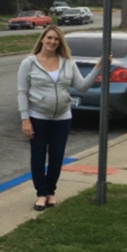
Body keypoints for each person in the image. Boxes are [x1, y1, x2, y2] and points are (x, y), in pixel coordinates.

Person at [17, 25, 111, 211]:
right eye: (49, 38)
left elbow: (82, 86)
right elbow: (22, 92)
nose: (52, 42)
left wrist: (98, 67)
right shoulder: (29, 63)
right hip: (38, 116)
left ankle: (51, 192)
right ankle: (41, 194)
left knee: (57, 156)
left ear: (60, 43)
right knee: (37, 156)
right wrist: (25, 118)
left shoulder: (68, 62)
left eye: (56, 39)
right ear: (42, 39)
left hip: (62, 118)